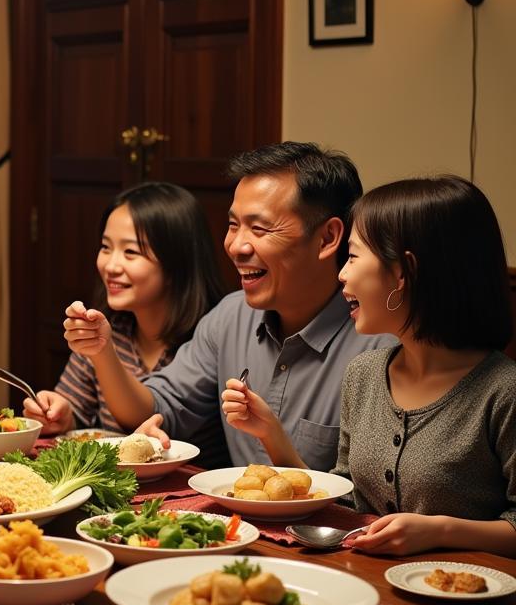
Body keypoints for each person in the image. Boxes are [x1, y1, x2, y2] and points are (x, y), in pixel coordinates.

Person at [222, 176, 516, 557]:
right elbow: (345, 504)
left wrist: (441, 531)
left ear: (402, 273)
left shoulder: (502, 391)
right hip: (369, 581)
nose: (342, 273)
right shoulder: (365, 375)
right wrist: (271, 436)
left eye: (355, 257)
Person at [65, 142, 396, 470]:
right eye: (233, 225)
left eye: (259, 228)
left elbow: (370, 501)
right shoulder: (231, 316)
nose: (236, 246)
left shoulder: (380, 343)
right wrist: (103, 350)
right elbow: (159, 406)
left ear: (326, 238)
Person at [23, 182, 227, 460]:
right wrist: (60, 414)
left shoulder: (210, 337)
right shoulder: (111, 328)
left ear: (177, 261)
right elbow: (76, 414)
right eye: (106, 247)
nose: (111, 266)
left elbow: (152, 418)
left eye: (131, 252)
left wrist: (102, 352)